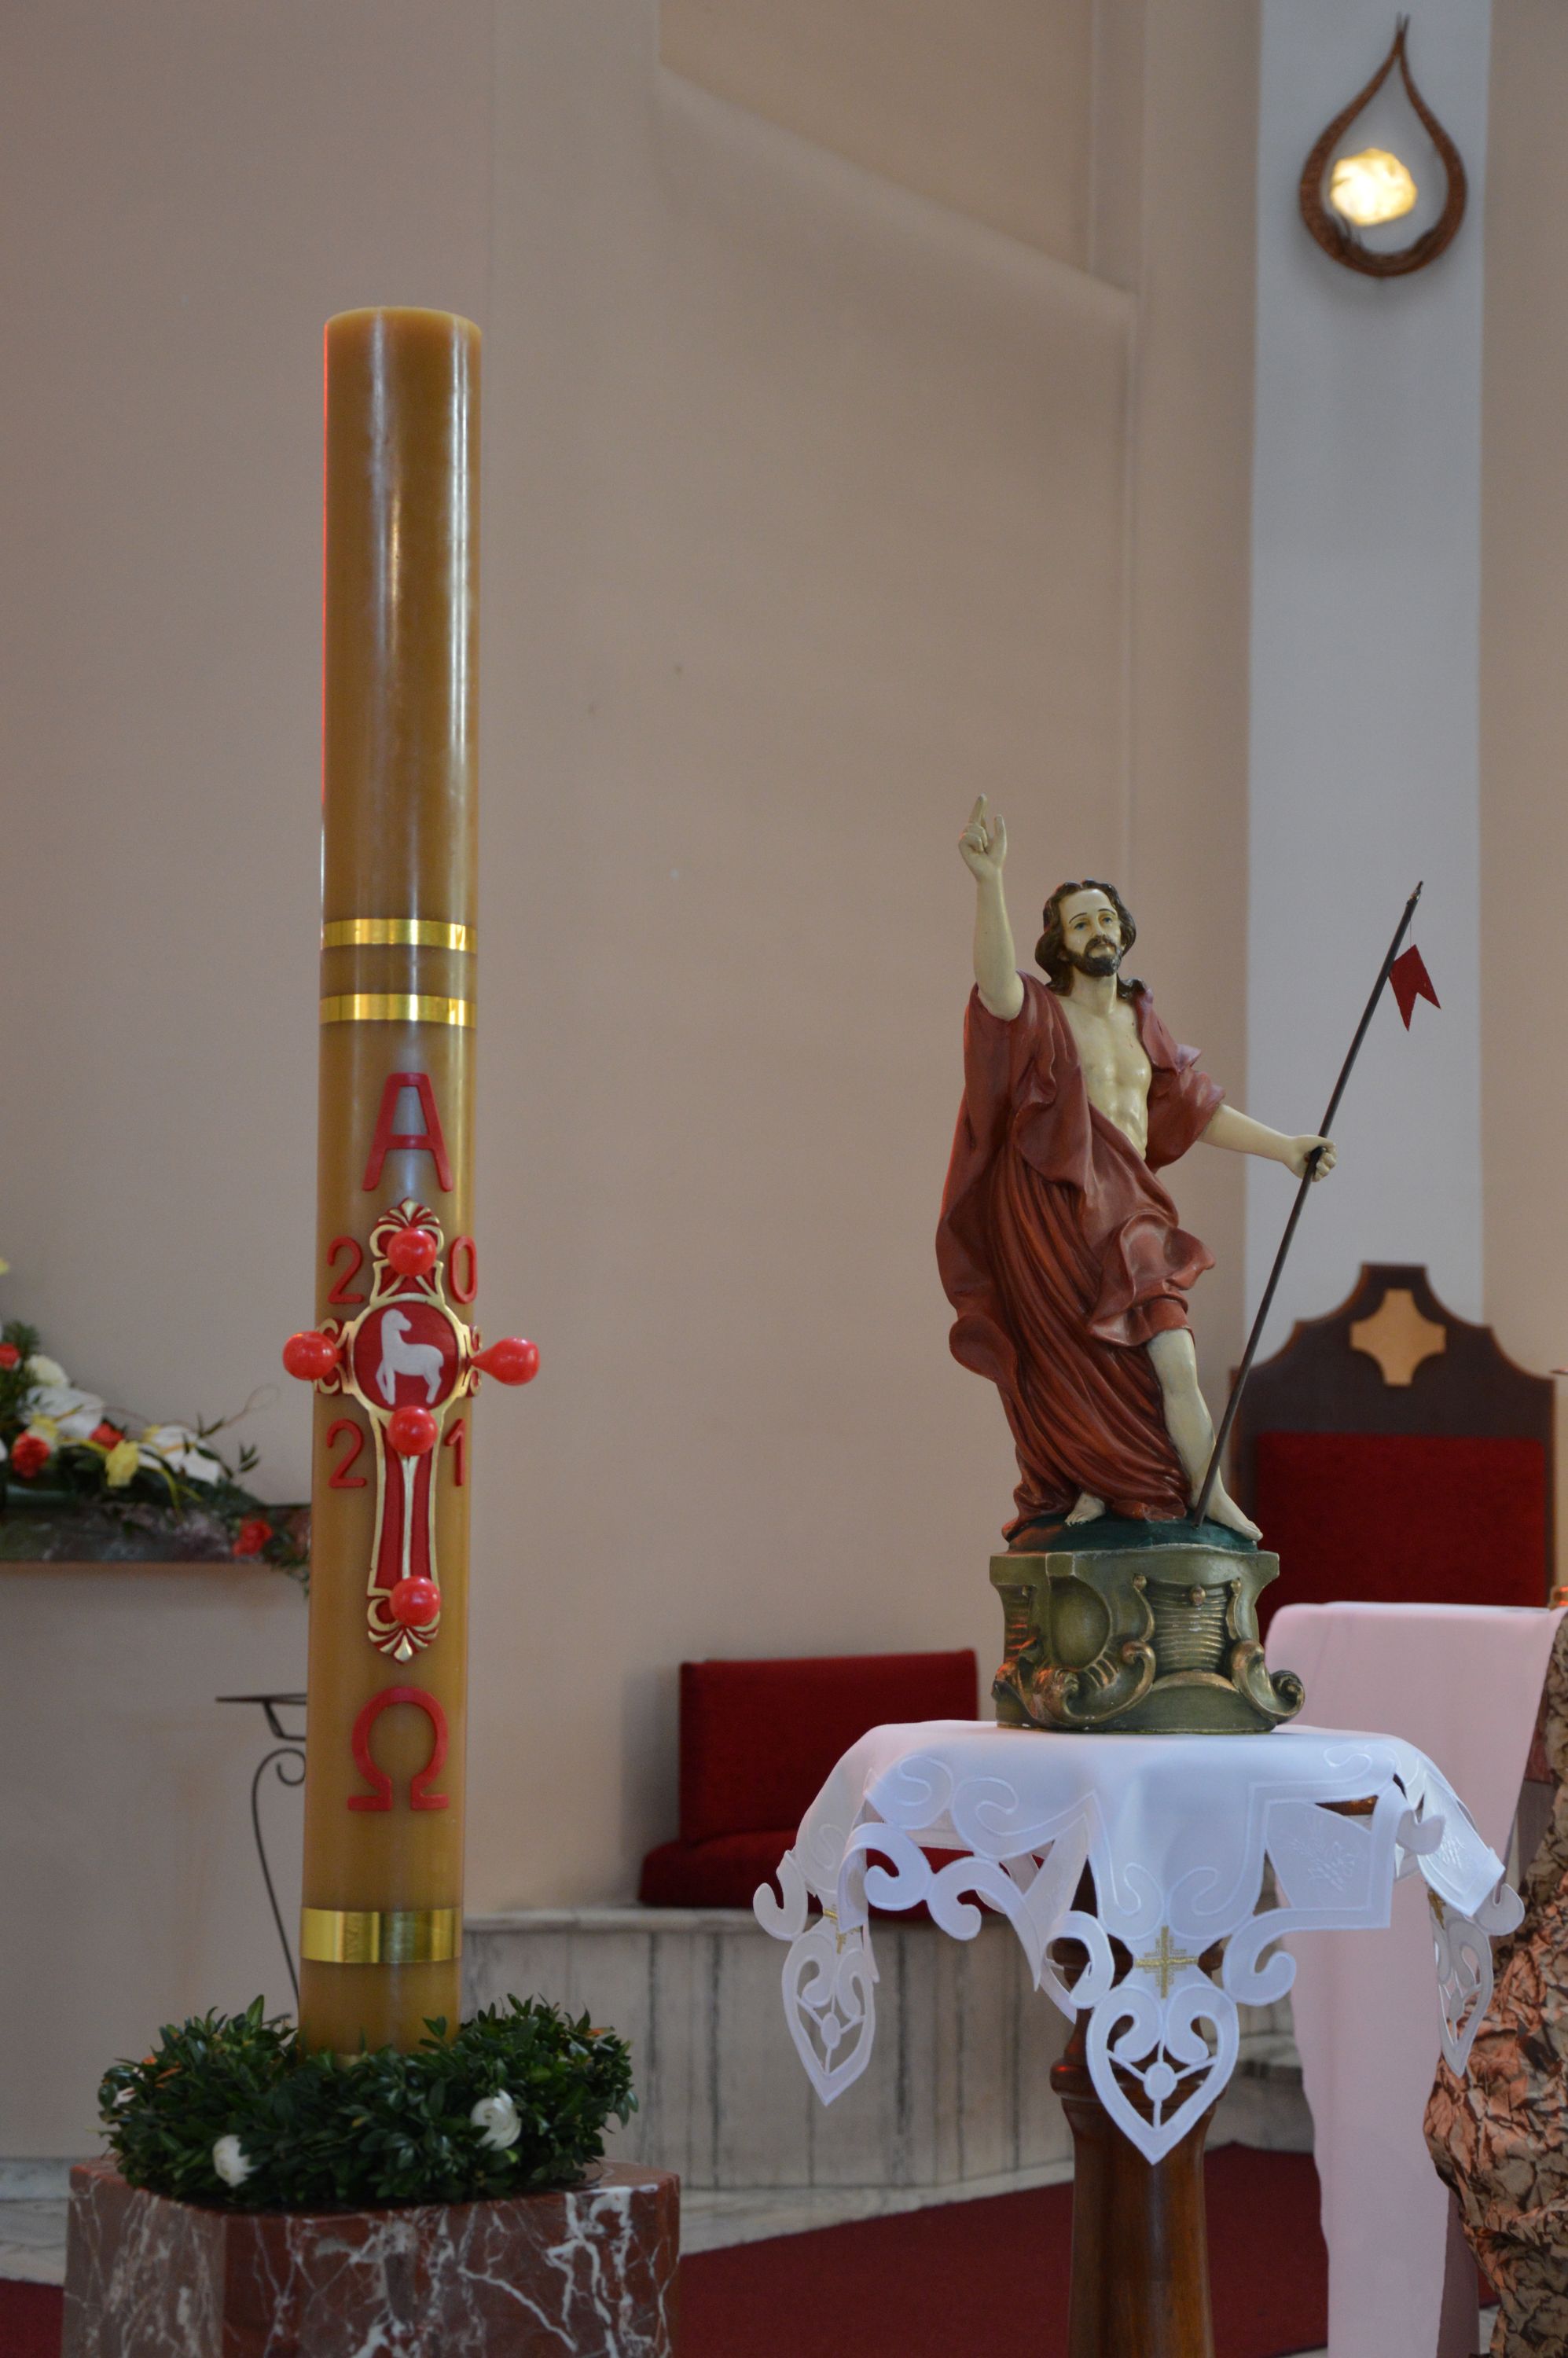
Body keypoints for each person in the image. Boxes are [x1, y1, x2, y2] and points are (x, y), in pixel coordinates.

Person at [938, 796, 1335, 1544]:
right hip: (1055, 1210)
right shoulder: (1041, 1012)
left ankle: (1208, 1494)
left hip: (1130, 1211)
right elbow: (994, 988)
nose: (1097, 930)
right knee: (1073, 1358)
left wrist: (1285, 1147)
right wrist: (989, 882)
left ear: (1122, 931)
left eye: (1105, 918)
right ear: (1059, 942)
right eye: (1079, 923)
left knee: (1171, 1352)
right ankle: (1096, 1479)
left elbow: (1194, 1109)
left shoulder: (1140, 1017)